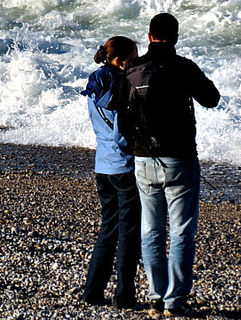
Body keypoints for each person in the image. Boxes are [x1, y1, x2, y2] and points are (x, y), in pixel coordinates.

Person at [114, 13, 220, 318]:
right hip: (179, 158)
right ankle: (175, 300)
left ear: (148, 37)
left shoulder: (132, 69)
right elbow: (211, 98)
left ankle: (156, 295)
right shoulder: (183, 67)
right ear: (175, 37)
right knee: (182, 231)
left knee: (151, 230)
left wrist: (140, 145)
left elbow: (123, 120)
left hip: (144, 159)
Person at [81, 36, 141, 310]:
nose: (137, 62)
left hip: (102, 165)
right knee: (129, 234)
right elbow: (121, 134)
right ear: (119, 60)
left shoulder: (96, 82)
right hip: (124, 167)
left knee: (108, 230)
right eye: (134, 58)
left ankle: (93, 291)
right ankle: (125, 295)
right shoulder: (120, 84)